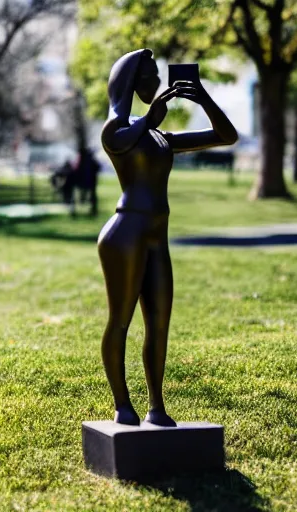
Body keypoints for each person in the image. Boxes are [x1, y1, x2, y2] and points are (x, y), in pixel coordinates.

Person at [98, 49, 238, 426]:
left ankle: (156, 408)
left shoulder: (161, 138)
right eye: (148, 78)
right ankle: (122, 405)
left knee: (159, 323)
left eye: (158, 77)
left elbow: (227, 136)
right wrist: (148, 118)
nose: (156, 84)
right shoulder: (117, 128)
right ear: (130, 83)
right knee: (121, 321)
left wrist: (201, 95)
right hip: (125, 233)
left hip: (157, 236)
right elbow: (119, 140)